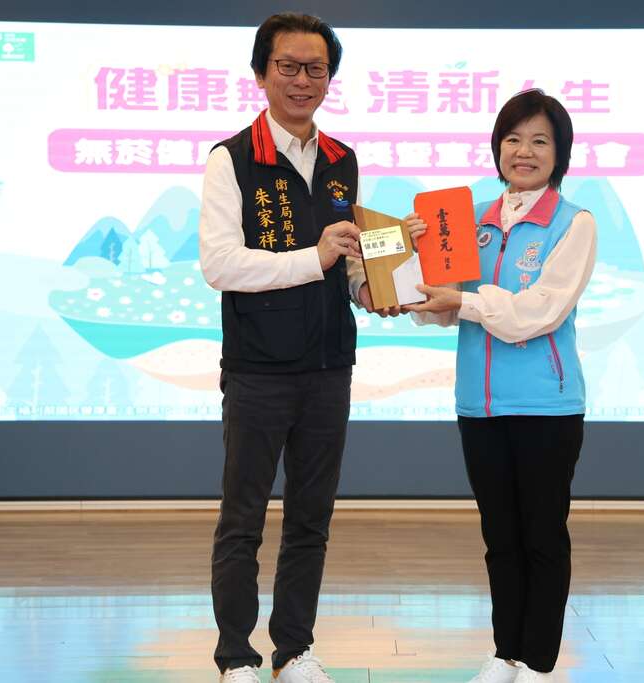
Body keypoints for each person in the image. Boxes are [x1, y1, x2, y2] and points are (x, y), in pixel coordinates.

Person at [198, 12, 393, 683]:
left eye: (316, 69)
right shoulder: (231, 158)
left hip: (329, 367)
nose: (302, 80)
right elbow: (220, 263)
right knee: (243, 520)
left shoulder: (343, 160)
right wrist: (315, 257)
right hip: (257, 370)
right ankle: (236, 656)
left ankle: (294, 649)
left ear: (329, 78)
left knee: (312, 519)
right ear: (262, 73)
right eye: (288, 66)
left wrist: (378, 287)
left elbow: (352, 261)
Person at [404, 89, 597, 682]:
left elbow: (539, 312)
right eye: (513, 139)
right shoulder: (469, 220)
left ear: (559, 153)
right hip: (479, 405)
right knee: (500, 538)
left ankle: (538, 662)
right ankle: (505, 652)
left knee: (542, 537)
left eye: (539, 140)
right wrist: (408, 256)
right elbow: (439, 306)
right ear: (497, 148)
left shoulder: (574, 223)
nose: (524, 151)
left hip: (546, 406)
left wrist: (462, 301)